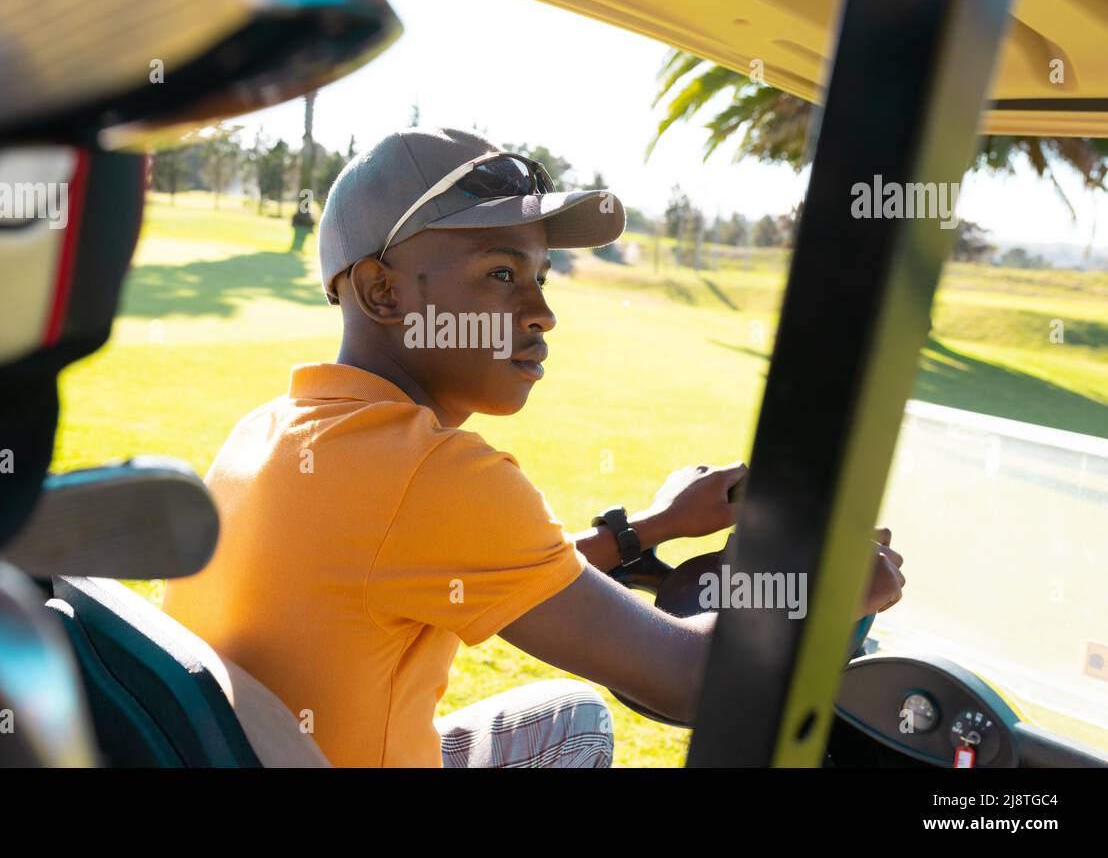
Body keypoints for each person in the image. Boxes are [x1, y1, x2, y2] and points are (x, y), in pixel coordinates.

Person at [161, 126, 905, 767]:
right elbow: (690, 675)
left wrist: (649, 529)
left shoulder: (275, 426)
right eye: (501, 273)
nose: (542, 312)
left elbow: (483, 573)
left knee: (571, 717)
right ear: (382, 292)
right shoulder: (432, 474)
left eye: (541, 276)